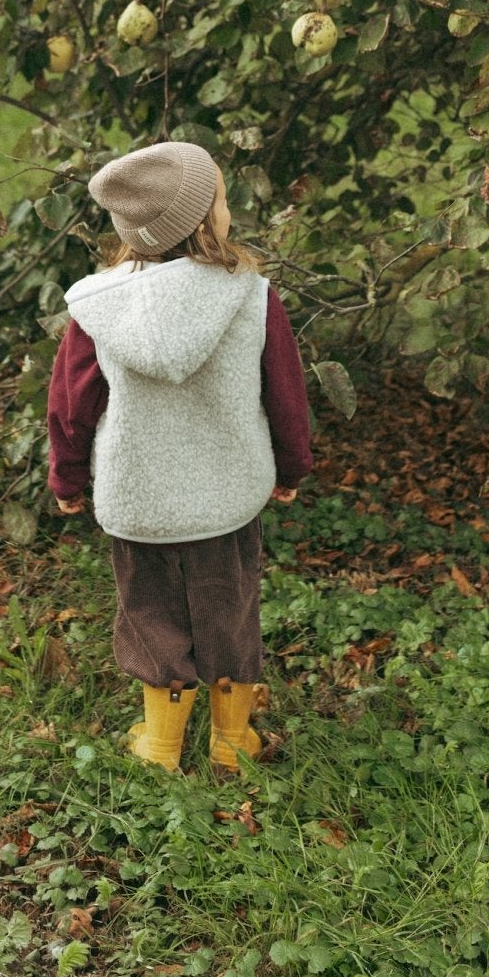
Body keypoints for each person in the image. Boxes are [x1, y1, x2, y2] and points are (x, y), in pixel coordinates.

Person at [47, 140, 313, 774]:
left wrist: (67, 477)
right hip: (226, 498)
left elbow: (71, 405)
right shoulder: (249, 296)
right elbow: (286, 394)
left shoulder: (98, 306)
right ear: (202, 221)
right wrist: (293, 465)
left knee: (150, 615)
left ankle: (161, 745)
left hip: (139, 501)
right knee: (230, 609)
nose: (227, 209)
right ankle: (231, 742)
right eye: (220, 199)